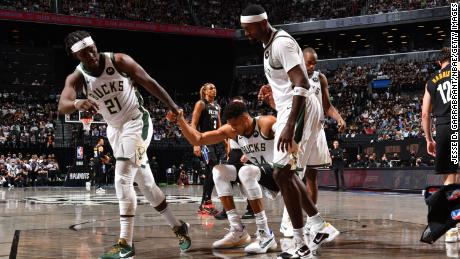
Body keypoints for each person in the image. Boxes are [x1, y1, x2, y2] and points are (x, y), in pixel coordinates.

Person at [57, 30, 191, 258]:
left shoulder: (118, 60)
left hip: (137, 123)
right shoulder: (76, 77)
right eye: (84, 53)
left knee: (122, 177)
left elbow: (149, 81)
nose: (91, 55)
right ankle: (178, 226)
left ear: (95, 45)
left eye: (92, 49)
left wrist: (172, 105)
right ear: (76, 56)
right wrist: (78, 103)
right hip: (115, 130)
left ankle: (125, 242)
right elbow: (63, 104)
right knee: (146, 184)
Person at [241, 5, 333, 257]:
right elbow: (287, 80)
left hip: (299, 109)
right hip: (290, 107)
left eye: (248, 29)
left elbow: (302, 83)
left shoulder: (281, 43)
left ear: (262, 23)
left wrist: (291, 123)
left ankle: (305, 238)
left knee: (283, 173)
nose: (246, 34)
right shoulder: (268, 45)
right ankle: (313, 230)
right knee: (286, 174)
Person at [169, 101, 280, 254]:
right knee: (218, 171)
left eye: (235, 125)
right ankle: (238, 230)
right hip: (259, 174)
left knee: (245, 172)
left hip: (281, 174)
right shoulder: (233, 130)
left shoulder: (266, 122)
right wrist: (180, 120)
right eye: (230, 125)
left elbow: (290, 132)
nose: (232, 129)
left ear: (245, 119)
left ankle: (265, 234)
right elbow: (198, 139)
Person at [261, 48, 343, 238]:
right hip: (300, 127)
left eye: (314, 62)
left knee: (311, 176)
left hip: (317, 129)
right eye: (308, 62)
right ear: (300, 60)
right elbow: (287, 106)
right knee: (293, 172)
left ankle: (311, 221)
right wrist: (270, 101)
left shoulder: (320, 78)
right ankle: (288, 221)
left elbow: (327, 106)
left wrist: (338, 118)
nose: (312, 66)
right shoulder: (293, 76)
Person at [422, 47, 457, 243]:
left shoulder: (431, 81)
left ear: (438, 63)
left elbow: (425, 114)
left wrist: (429, 139)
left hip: (444, 128)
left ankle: (450, 229)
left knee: (450, 179)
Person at [191, 82, 225, 215]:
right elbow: (193, 123)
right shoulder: (201, 104)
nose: (214, 90)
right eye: (211, 88)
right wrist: (196, 143)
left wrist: (226, 144)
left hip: (217, 142)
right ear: (205, 91)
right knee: (213, 168)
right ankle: (206, 202)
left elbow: (220, 127)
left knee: (213, 171)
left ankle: (204, 204)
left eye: (215, 88)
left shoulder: (217, 106)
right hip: (205, 141)